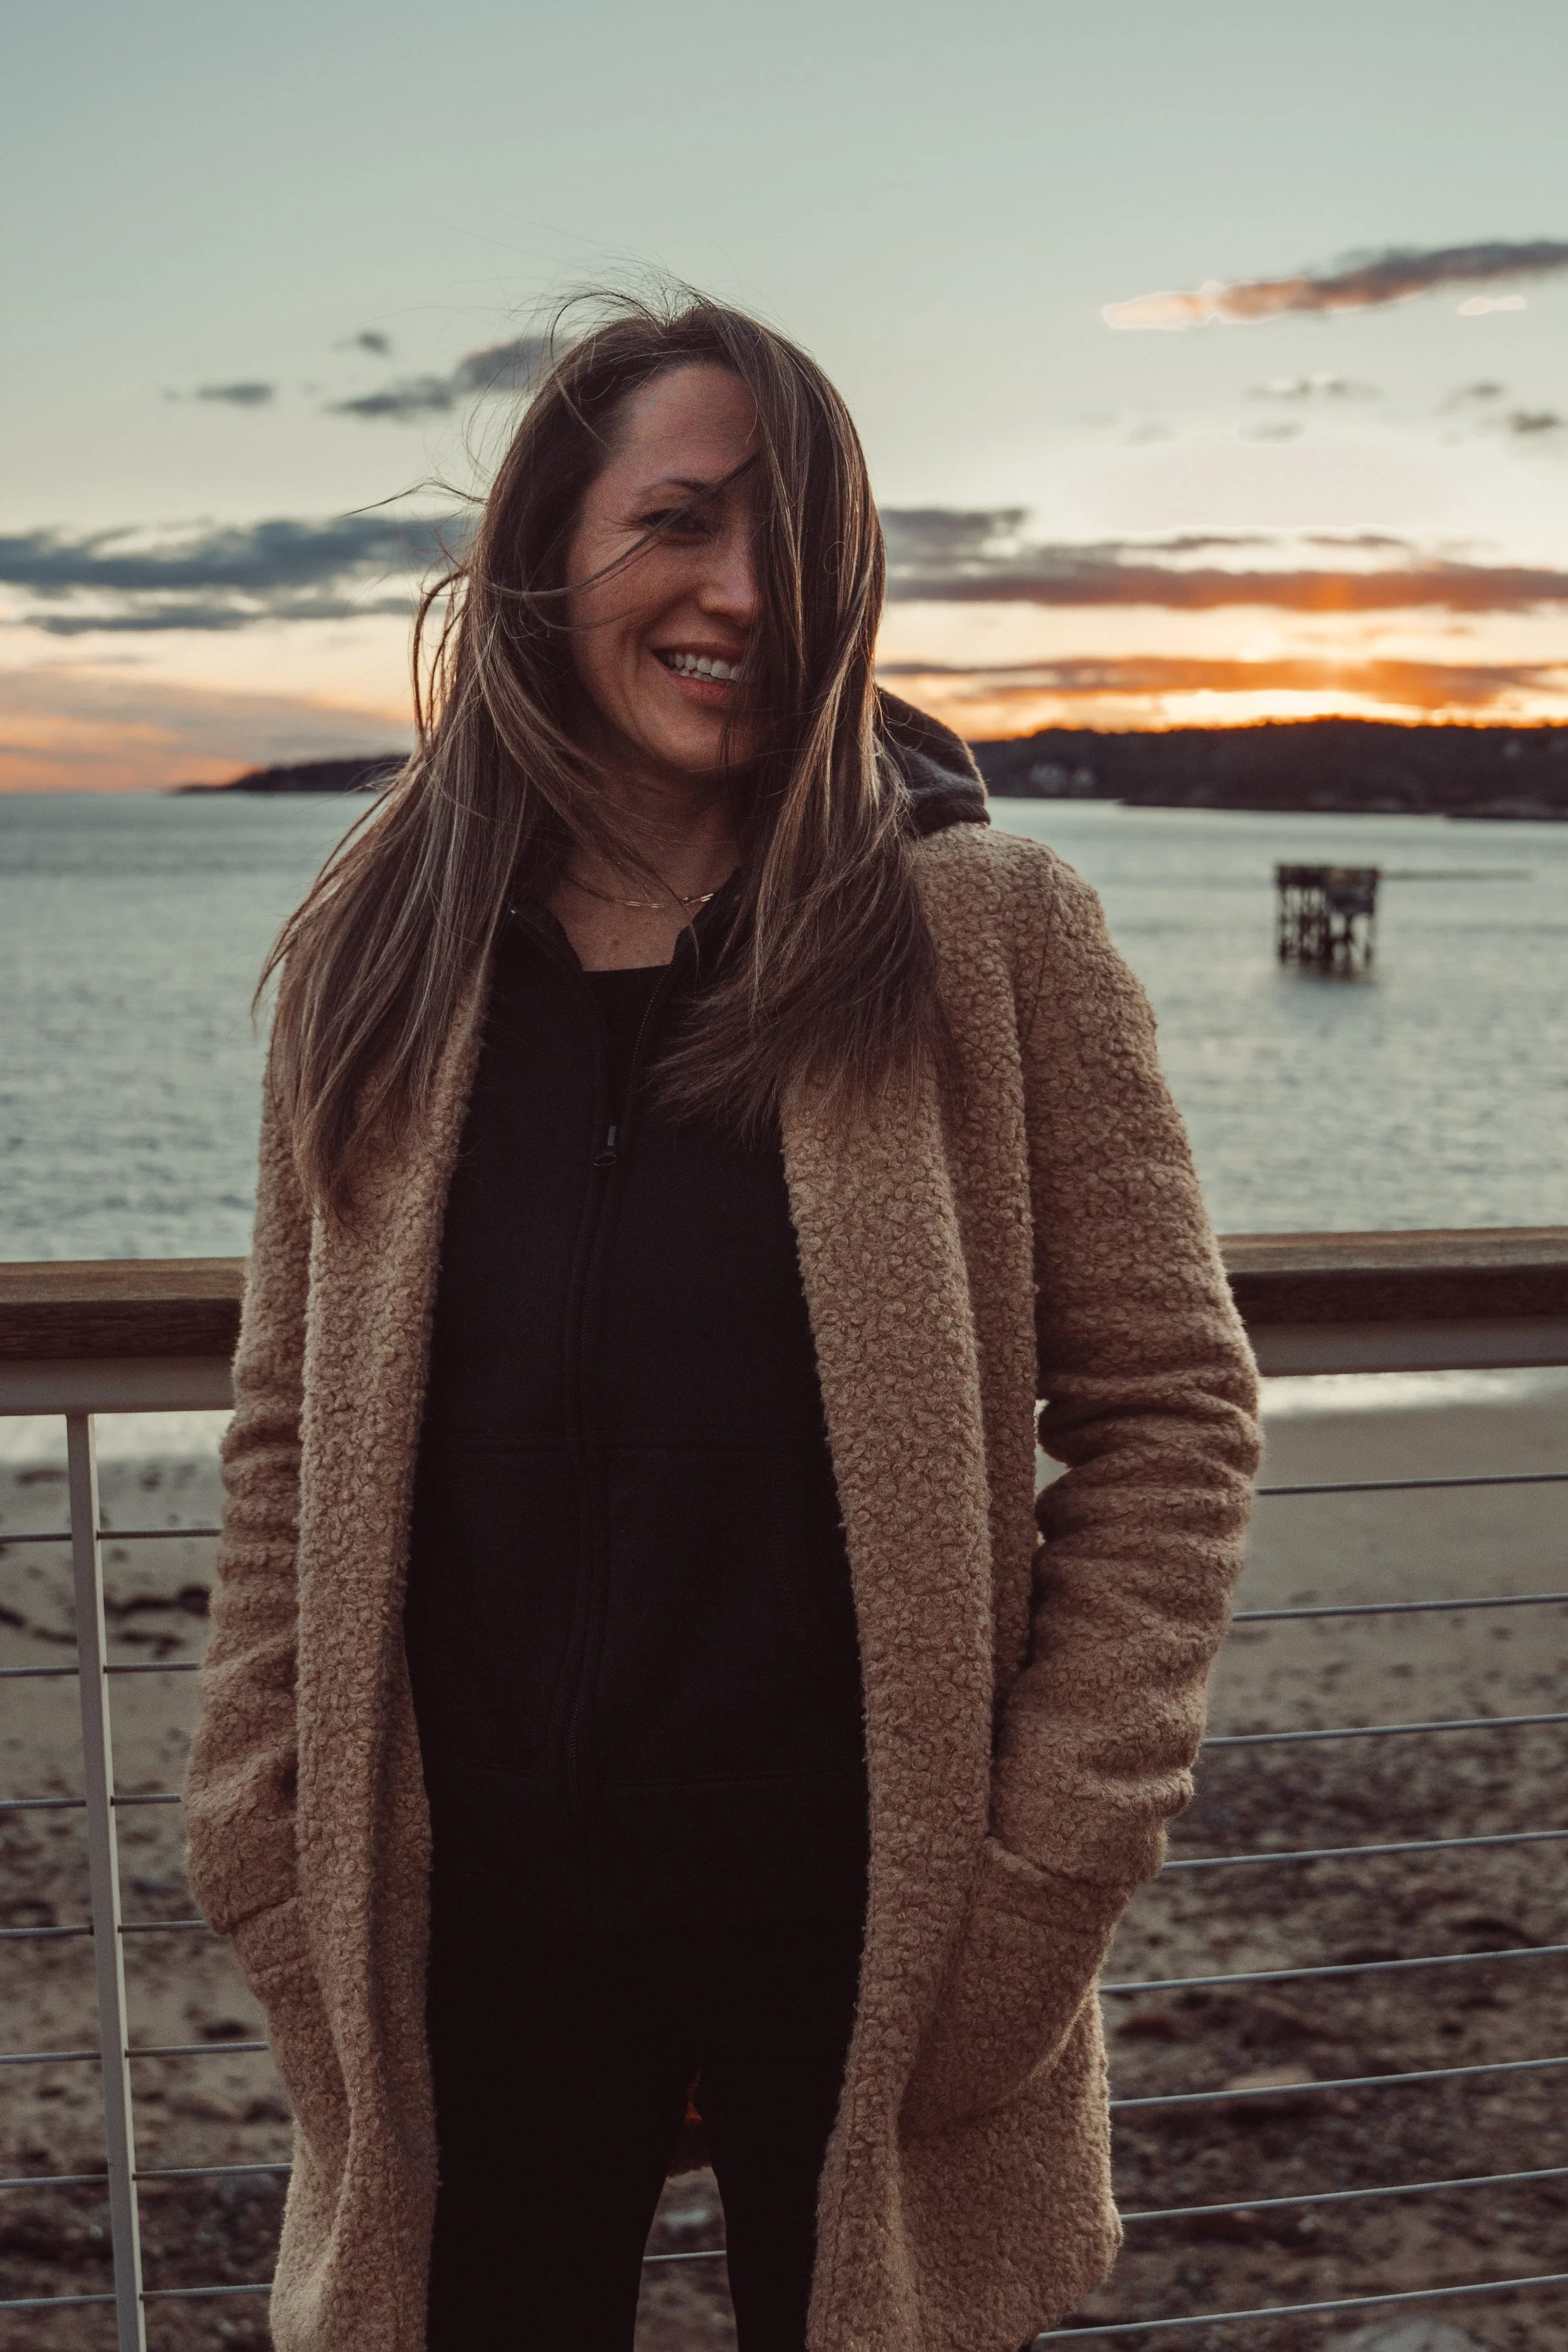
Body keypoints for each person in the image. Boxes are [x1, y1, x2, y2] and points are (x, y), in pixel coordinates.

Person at [185, 295, 1259, 2352]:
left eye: (796, 542)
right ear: (546, 550)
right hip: (467, 1938)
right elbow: (286, 1432)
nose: (743, 593)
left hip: (874, 1944)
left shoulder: (985, 932)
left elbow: (1170, 1416)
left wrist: (1040, 1874)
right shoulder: (382, 959)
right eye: (677, 518)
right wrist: (260, 1827)